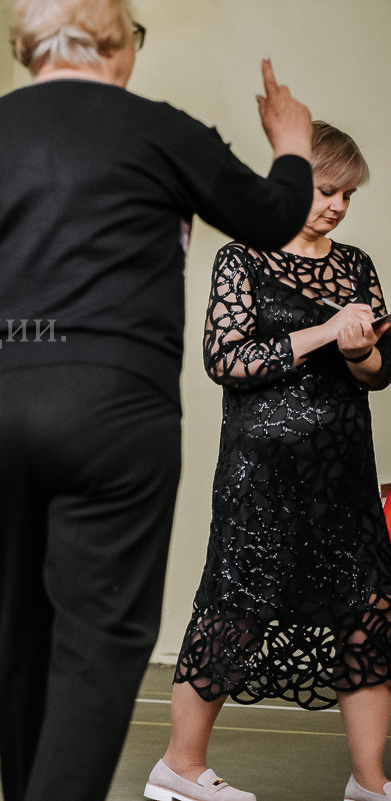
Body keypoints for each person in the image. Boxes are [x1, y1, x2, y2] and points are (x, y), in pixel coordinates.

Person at [0, 1, 314, 799]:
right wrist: (292, 145)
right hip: (112, 404)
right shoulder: (160, 128)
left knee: (22, 631)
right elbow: (271, 217)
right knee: (102, 634)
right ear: (119, 46)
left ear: (24, 51)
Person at [147, 123, 391, 801]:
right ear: (288, 183)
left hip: (344, 479)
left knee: (367, 612)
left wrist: (359, 349)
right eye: (326, 188)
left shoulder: (357, 265)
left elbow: (377, 373)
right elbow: (227, 359)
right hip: (263, 480)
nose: (338, 204)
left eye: (348, 193)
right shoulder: (242, 258)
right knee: (236, 611)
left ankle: (370, 783)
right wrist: (324, 330)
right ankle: (180, 767)